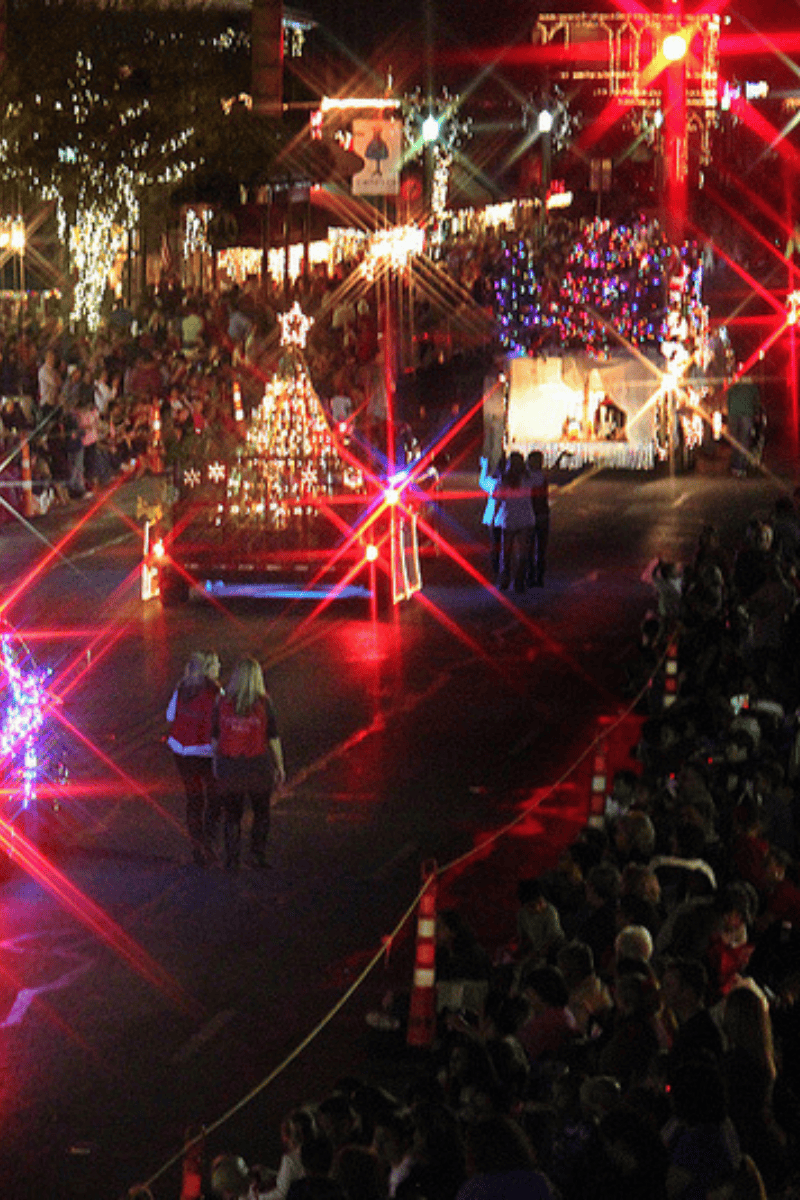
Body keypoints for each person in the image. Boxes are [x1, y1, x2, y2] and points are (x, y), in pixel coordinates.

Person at [214, 656, 285, 871]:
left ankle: (232, 858)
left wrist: (216, 762)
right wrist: (279, 766)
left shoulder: (223, 703)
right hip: (257, 766)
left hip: (230, 765)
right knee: (261, 813)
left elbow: (215, 736)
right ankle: (257, 855)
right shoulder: (264, 703)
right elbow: (273, 737)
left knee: (232, 815)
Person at [166, 650, 223, 866]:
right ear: (208, 668)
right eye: (216, 663)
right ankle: (209, 840)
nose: (219, 666)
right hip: (206, 752)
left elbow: (170, 716)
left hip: (181, 751)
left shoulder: (182, 689)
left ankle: (197, 845)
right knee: (215, 798)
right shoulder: (215, 691)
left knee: (194, 798)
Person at [493, 451, 533, 593]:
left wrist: (494, 517)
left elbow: (496, 498)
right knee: (522, 553)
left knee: (506, 552)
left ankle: (504, 581)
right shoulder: (528, 478)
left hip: (508, 518)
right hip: (525, 518)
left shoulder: (503, 480)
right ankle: (519, 582)